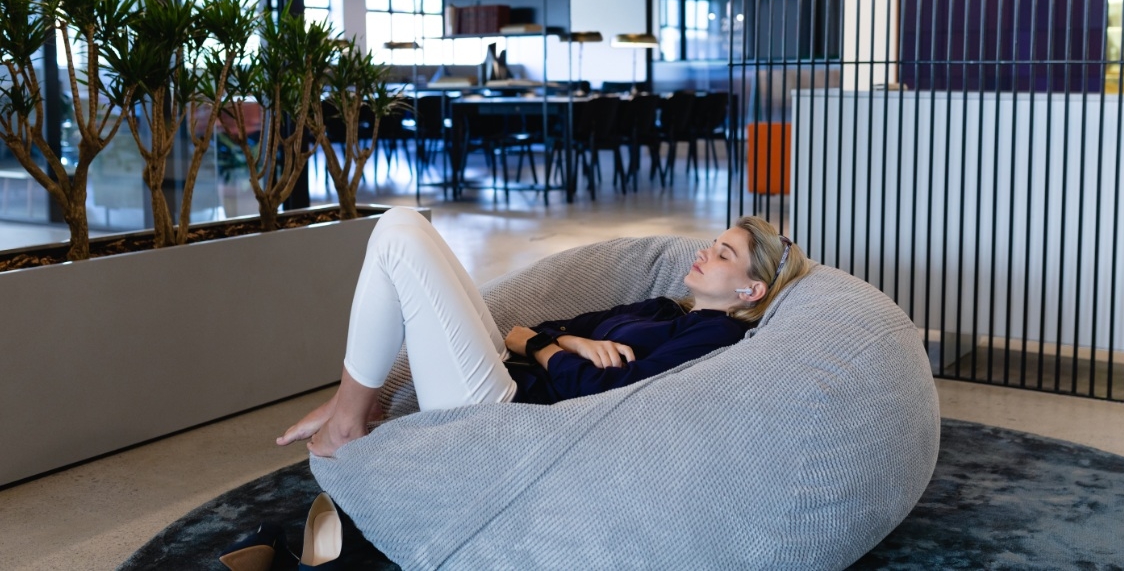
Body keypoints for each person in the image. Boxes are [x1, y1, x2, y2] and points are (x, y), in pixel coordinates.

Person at [278, 207, 811, 457]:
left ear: (750, 292)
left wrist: (538, 345)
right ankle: (350, 403)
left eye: (723, 254)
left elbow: (608, 392)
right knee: (403, 223)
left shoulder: (713, 337)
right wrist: (569, 343)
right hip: (507, 371)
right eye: (712, 242)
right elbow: (545, 328)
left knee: (398, 244)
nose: (703, 252)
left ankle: (346, 418)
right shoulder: (667, 308)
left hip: (506, 409)